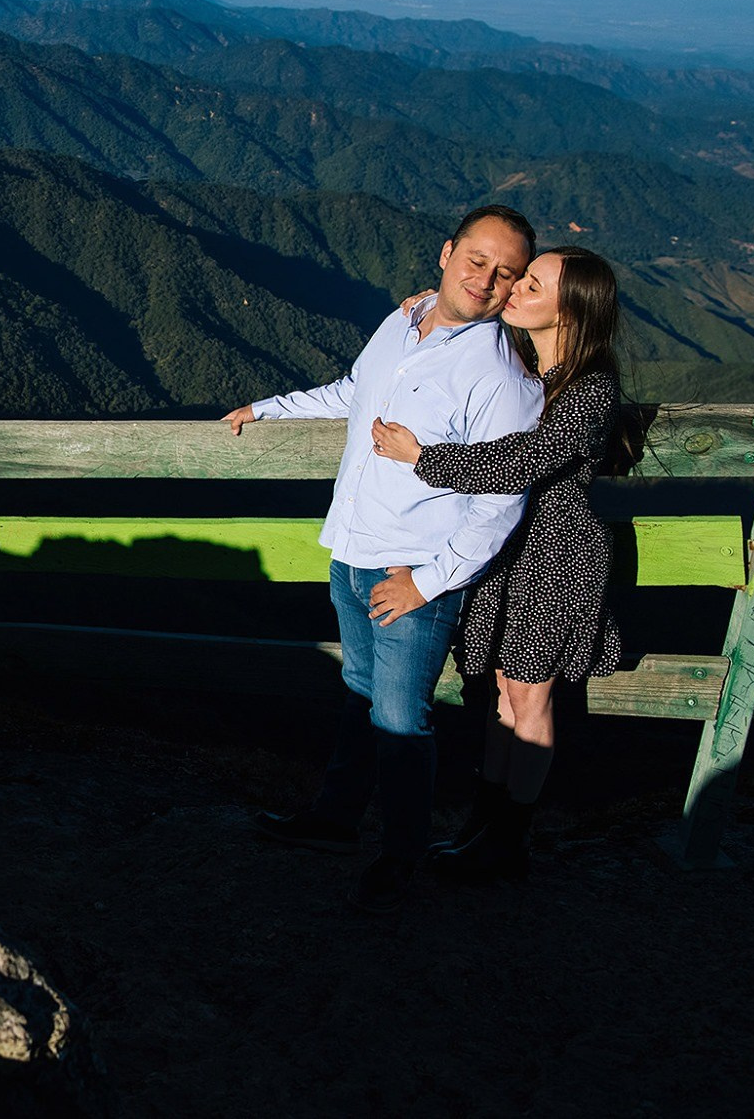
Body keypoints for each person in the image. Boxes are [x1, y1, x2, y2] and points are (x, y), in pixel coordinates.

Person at [224, 204, 542, 913]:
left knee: (401, 719)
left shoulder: (501, 377)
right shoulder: (404, 320)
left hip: (412, 570)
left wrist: (427, 585)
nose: (487, 279)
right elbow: (355, 391)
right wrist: (268, 408)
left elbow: (500, 502)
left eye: (507, 273)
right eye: (478, 260)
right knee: (361, 693)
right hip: (351, 548)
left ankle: (400, 858)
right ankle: (335, 821)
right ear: (447, 253)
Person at [367, 245, 624, 884]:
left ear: (570, 312)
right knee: (501, 694)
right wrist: (426, 305)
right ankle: (484, 830)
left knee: (529, 698)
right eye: (522, 277)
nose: (514, 288)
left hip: (556, 554)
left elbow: (523, 460)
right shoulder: (529, 362)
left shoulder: (590, 388)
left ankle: (508, 841)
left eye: (533, 285)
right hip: (508, 549)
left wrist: (423, 458)